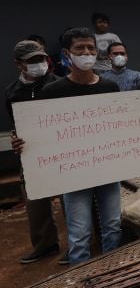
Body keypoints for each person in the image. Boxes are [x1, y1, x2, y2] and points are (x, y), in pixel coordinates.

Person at [12, 28, 123, 265]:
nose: (86, 53)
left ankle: (113, 272)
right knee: (79, 233)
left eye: (91, 48)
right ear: (67, 54)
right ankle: (80, 275)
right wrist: (24, 143)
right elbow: (38, 133)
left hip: (108, 169)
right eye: (79, 48)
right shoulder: (52, 92)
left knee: (113, 226)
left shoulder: (110, 87)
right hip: (73, 174)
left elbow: (121, 125)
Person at [5, 40, 61, 264]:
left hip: (62, 150)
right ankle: (45, 244)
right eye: (32, 61)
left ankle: (78, 244)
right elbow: (17, 124)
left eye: (41, 59)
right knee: (35, 201)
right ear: (19, 64)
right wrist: (16, 139)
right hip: (33, 153)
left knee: (71, 199)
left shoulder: (59, 85)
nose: (39, 64)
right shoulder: (12, 92)